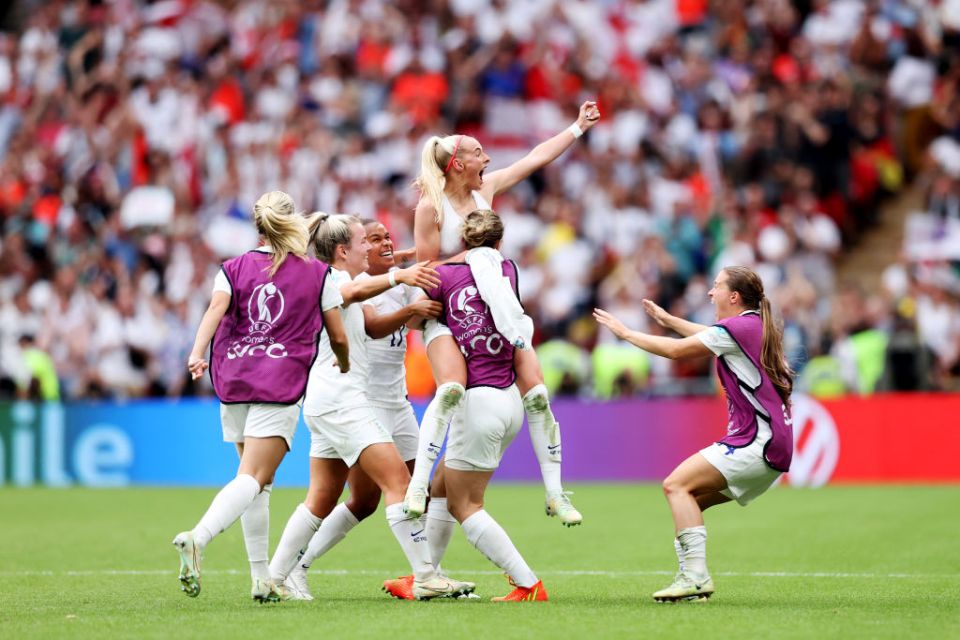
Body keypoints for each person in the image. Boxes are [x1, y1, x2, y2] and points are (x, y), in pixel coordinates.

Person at [403, 101, 602, 528]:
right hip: (449, 313)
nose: (487, 158)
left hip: (496, 309)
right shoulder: (430, 208)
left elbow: (536, 158)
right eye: (477, 153)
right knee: (451, 391)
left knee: (537, 393)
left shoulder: (485, 190)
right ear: (457, 164)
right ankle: (418, 484)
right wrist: (475, 257)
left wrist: (577, 127)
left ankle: (554, 493)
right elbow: (426, 273)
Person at [266, 213, 473, 601]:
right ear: (343, 250)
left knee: (324, 497)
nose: (371, 247)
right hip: (344, 402)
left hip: (334, 400)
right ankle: (425, 576)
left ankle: (276, 577)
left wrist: (405, 268)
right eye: (365, 240)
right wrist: (399, 277)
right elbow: (348, 298)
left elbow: (367, 315)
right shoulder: (339, 280)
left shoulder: (339, 276)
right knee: (399, 484)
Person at [172, 190, 348, 602]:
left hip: (232, 379)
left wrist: (197, 352)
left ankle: (261, 579)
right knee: (252, 478)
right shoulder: (317, 273)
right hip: (277, 383)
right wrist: (343, 360)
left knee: (259, 483)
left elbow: (215, 310)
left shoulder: (232, 268)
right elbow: (338, 334)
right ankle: (198, 537)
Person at [593, 266, 794, 602]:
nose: (709, 292)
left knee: (675, 485)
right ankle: (690, 580)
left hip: (757, 442)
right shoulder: (750, 325)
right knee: (690, 502)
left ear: (733, 296)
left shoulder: (737, 327)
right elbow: (706, 334)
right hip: (775, 447)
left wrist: (625, 333)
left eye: (716, 287)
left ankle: (696, 578)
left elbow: (675, 351)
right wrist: (669, 320)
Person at [425, 209, 549, 601]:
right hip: (510, 397)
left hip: (476, 400)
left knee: (466, 504)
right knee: (440, 485)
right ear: (499, 243)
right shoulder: (508, 270)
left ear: (462, 241)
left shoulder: (443, 275)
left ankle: (527, 582)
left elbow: (421, 316)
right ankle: (427, 574)